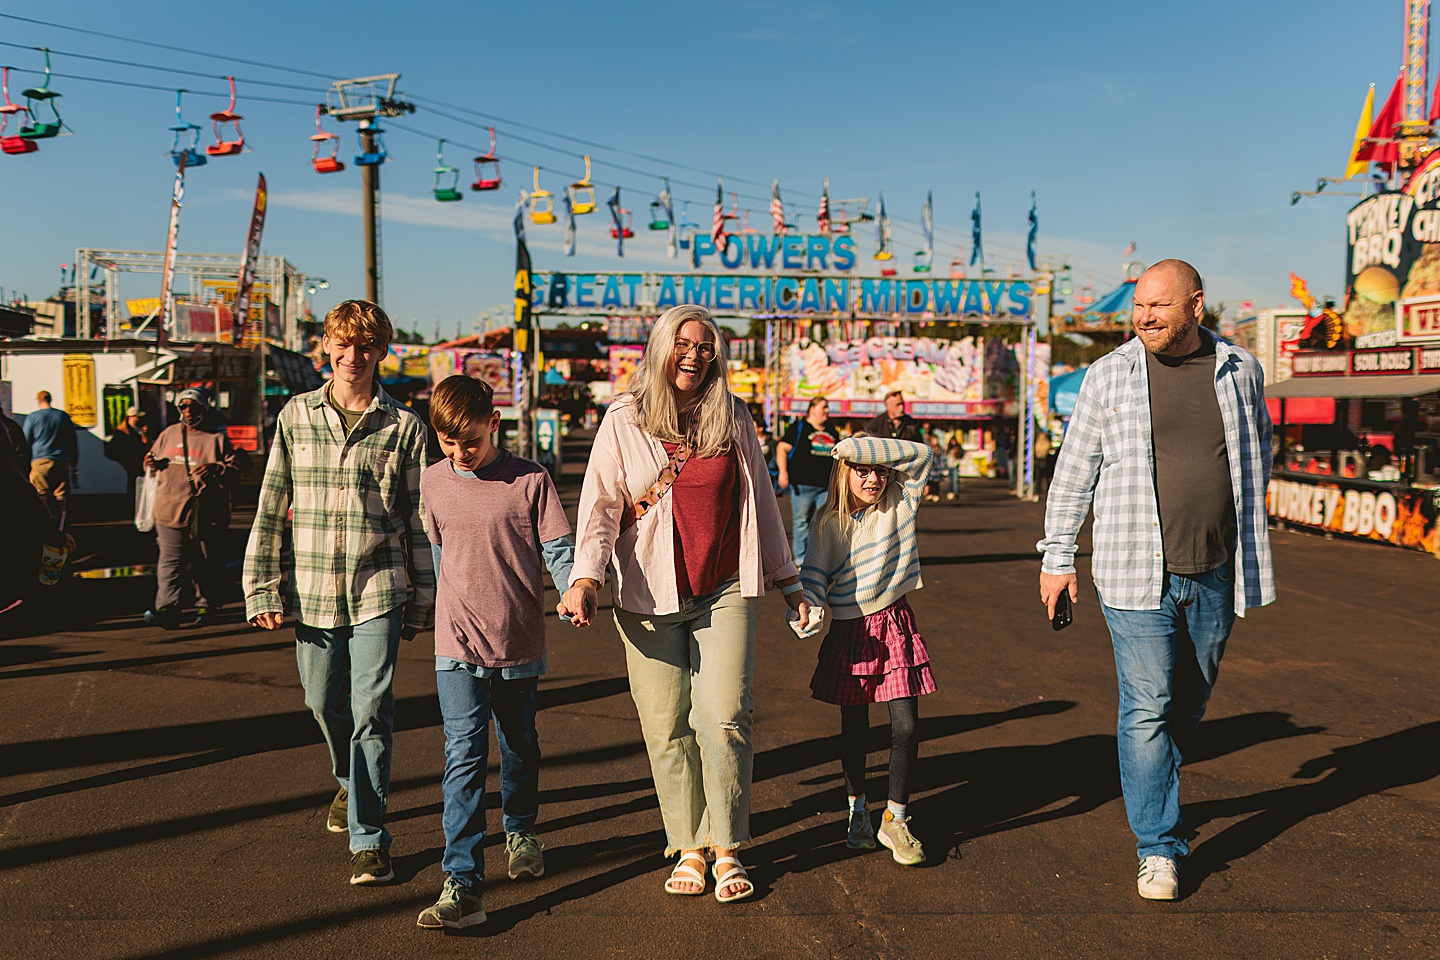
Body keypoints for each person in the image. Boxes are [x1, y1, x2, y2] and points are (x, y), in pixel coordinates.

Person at [1037, 259, 1274, 901]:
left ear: (1196, 305)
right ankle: (1158, 846)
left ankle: (1155, 784)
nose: (1143, 317)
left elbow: (1258, 449)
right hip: (1133, 571)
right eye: (1139, 305)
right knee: (1148, 705)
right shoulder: (1108, 374)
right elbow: (1073, 473)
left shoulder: (1241, 370)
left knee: (1187, 705)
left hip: (1217, 569)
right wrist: (1057, 557)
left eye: (1158, 306)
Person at [558, 304, 809, 904]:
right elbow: (600, 506)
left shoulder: (733, 416)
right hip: (647, 592)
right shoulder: (624, 418)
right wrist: (585, 578)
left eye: (705, 346)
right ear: (660, 348)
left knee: (723, 716)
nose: (694, 355)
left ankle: (727, 845)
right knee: (666, 726)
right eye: (683, 343)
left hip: (724, 587)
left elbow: (761, 501)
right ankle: (688, 844)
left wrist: (788, 579)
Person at [243, 299, 436, 887]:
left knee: (372, 709)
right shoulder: (296, 416)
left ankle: (369, 837)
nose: (354, 356)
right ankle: (350, 781)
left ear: (382, 352)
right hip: (312, 589)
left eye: (366, 346)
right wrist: (261, 586)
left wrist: (423, 597)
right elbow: (271, 504)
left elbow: (420, 519)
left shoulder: (405, 427)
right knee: (321, 699)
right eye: (343, 344)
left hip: (380, 585)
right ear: (325, 345)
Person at [415, 375, 575, 931]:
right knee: (462, 753)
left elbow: (558, 550)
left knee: (518, 742)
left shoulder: (530, 479)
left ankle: (521, 830)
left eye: (471, 440)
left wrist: (572, 591)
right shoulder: (433, 480)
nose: (460, 452)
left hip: (517, 637)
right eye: (448, 441)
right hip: (456, 640)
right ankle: (462, 883)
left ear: (494, 424)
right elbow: (442, 554)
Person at [799, 435, 937, 866]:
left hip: (895, 621)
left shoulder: (901, 500)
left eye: (879, 470)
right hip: (851, 628)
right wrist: (807, 610)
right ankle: (857, 810)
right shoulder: (829, 522)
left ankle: (895, 818)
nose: (873, 479)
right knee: (855, 728)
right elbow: (814, 576)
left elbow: (922, 454)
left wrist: (854, 449)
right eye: (862, 471)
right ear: (844, 474)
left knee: (906, 726)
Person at [142, 388, 239, 628]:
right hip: (168, 509)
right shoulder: (168, 434)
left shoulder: (216, 439)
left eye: (193, 406)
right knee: (170, 562)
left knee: (204, 560)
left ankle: (205, 605)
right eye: (183, 406)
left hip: (204, 512)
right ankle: (168, 608)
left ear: (203, 409)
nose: (187, 411)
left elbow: (235, 472)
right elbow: (150, 460)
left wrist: (217, 469)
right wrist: (150, 462)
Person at [775, 396, 838, 565]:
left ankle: (820, 557)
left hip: (826, 485)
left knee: (826, 521)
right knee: (801, 522)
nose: (827, 411)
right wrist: (783, 472)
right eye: (823, 407)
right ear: (813, 409)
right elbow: (782, 447)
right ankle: (801, 559)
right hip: (802, 485)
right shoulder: (799, 427)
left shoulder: (831, 429)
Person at [22, 390, 78, 515]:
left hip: (40, 460)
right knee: (60, 493)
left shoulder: (33, 417)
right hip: (61, 460)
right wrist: (74, 460)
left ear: (39, 401)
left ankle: (44, 519)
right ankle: (62, 520)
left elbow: (26, 440)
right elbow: (72, 439)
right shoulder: (63, 416)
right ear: (50, 400)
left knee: (41, 492)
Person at [105, 406, 152, 497]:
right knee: (132, 485)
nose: (140, 419)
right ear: (132, 417)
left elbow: (145, 444)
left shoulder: (138, 430)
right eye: (138, 417)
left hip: (137, 462)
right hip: (129, 463)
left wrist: (145, 434)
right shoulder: (121, 433)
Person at [924, 432, 945, 502]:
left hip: (937, 467)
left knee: (936, 482)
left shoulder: (939, 449)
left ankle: (936, 494)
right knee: (930, 481)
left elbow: (942, 458)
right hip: (930, 467)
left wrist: (942, 466)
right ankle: (930, 493)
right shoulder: (929, 448)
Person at [945, 436, 963, 500]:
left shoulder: (958, 448)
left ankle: (956, 493)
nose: (953, 442)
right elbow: (946, 457)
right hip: (950, 466)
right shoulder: (949, 449)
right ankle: (950, 492)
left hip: (955, 466)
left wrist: (958, 462)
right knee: (950, 480)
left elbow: (962, 455)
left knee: (955, 480)